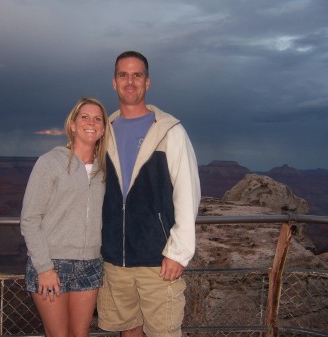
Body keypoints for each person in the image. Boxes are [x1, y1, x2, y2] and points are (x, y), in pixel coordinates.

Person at [97, 51, 201, 337]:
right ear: (114, 83)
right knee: (128, 331)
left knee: (163, 332)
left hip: (158, 261)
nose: (130, 81)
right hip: (116, 260)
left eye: (137, 75)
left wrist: (179, 253)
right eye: (123, 75)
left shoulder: (170, 131)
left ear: (147, 82)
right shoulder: (103, 132)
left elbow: (187, 193)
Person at [20, 96, 110, 337]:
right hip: (52, 262)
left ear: (103, 128)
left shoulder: (104, 169)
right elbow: (30, 219)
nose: (91, 122)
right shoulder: (50, 162)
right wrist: (44, 267)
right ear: (72, 124)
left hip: (90, 264)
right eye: (85, 117)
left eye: (97, 119)